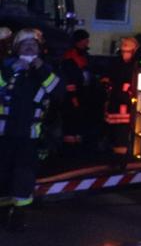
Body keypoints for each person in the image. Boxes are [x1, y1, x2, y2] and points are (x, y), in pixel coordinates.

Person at [0, 29, 59, 231]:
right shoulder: (5, 67)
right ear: (16, 49)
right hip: (3, 135)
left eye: (33, 45)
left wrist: (41, 70)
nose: (29, 48)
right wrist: (10, 72)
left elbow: (59, 93)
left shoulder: (46, 71)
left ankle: (18, 216)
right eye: (25, 45)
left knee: (24, 178)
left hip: (28, 138)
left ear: (39, 50)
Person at [100, 37, 139, 165]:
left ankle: (120, 159)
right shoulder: (116, 64)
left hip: (125, 104)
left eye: (127, 51)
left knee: (122, 132)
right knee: (113, 130)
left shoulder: (136, 65)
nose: (125, 54)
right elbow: (106, 78)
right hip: (115, 102)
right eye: (123, 51)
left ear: (133, 52)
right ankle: (115, 156)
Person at [58, 29, 96, 148]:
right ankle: (69, 147)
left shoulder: (84, 55)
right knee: (71, 120)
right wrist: (73, 97)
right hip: (72, 95)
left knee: (80, 119)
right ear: (78, 41)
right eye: (85, 40)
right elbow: (71, 77)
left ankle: (77, 143)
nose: (87, 42)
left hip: (83, 93)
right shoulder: (69, 57)